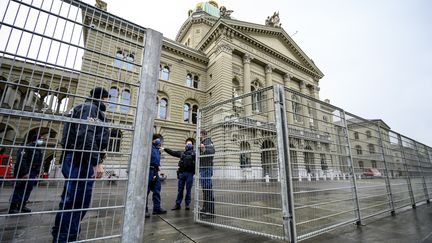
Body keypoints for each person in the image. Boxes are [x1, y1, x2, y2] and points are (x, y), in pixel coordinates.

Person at [52, 87, 109, 243]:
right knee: (78, 202)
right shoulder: (90, 108)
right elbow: (86, 134)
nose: (108, 102)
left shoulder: (82, 107)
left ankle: (61, 234)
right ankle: (67, 237)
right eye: (107, 99)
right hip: (81, 160)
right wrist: (96, 160)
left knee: (70, 200)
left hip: (75, 158)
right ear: (101, 98)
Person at [9, 135, 45, 214]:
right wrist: (24, 172)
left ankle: (22, 205)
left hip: (33, 172)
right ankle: (13, 206)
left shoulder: (39, 150)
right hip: (25, 171)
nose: (42, 141)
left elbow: (39, 162)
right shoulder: (26, 147)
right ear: (35, 139)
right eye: (41, 139)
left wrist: (38, 172)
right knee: (19, 188)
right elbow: (22, 160)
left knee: (28, 189)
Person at [163, 138, 196, 211]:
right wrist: (165, 149)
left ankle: (187, 204)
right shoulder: (182, 153)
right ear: (185, 145)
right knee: (180, 189)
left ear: (192, 145)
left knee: (188, 190)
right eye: (187, 143)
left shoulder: (195, 154)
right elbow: (173, 152)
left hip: (190, 174)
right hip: (182, 173)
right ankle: (178, 204)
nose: (189, 145)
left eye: (190, 144)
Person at [145, 134, 167, 217]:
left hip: (155, 171)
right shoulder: (148, 147)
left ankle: (156, 208)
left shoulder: (157, 149)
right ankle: (144, 210)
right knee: (146, 190)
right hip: (148, 170)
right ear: (152, 140)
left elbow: (156, 159)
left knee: (157, 189)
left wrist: (157, 166)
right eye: (157, 140)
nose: (158, 141)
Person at [199, 130, 215, 219]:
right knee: (205, 190)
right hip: (203, 168)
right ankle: (205, 208)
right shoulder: (203, 142)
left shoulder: (208, 141)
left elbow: (212, 151)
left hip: (207, 168)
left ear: (203, 135)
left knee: (208, 189)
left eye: (200, 135)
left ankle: (210, 211)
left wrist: (204, 149)